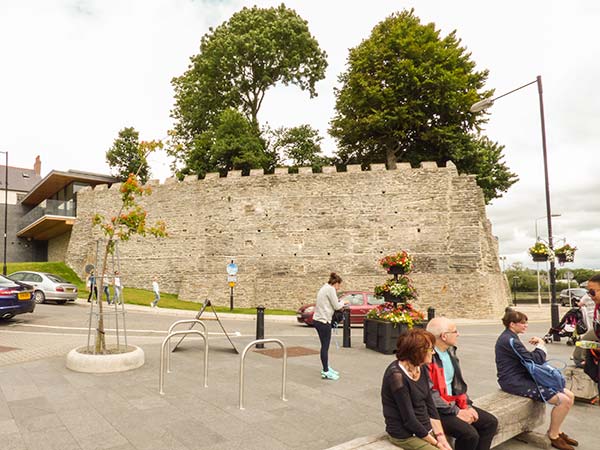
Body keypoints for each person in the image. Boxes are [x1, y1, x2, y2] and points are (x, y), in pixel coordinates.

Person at [495, 309, 577, 450]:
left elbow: (527, 358)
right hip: (513, 381)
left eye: (526, 322)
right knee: (563, 400)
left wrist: (539, 345)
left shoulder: (510, 337)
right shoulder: (509, 340)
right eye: (522, 323)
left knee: (570, 395)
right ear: (512, 324)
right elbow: (535, 360)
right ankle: (553, 436)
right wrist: (541, 345)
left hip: (521, 377)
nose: (526, 325)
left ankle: (557, 430)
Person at [426, 317, 498, 450]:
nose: (458, 334)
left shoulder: (450, 351)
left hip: (453, 404)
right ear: (444, 336)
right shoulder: (427, 357)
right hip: (436, 410)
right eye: (455, 331)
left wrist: (467, 406)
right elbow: (429, 393)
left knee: (490, 423)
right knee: (469, 435)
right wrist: (456, 411)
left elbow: (458, 384)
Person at [381, 328, 452, 450]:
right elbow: (409, 420)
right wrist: (436, 443)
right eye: (430, 349)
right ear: (417, 352)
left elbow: (430, 404)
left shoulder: (421, 367)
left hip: (423, 428)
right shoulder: (396, 377)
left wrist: (441, 437)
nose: (433, 352)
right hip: (405, 434)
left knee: (454, 439)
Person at [313, 272, 345, 380]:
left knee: (324, 346)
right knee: (325, 347)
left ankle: (326, 367)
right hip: (323, 321)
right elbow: (336, 306)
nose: (338, 288)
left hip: (318, 320)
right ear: (335, 283)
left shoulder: (324, 287)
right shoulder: (330, 289)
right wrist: (344, 303)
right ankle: (326, 371)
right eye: (338, 286)